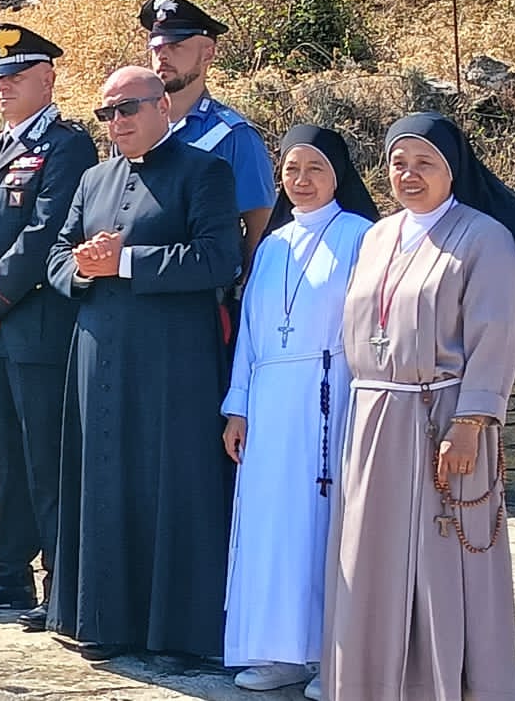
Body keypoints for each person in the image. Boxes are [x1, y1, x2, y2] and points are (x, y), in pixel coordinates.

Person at [321, 112, 515, 701]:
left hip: (441, 418)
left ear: (453, 170)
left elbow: (496, 336)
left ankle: (447, 684)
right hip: (373, 418)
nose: (409, 174)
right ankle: (371, 683)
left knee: (442, 557)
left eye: (425, 163)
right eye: (399, 163)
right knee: (369, 557)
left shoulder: (484, 238)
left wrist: (471, 423)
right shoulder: (377, 236)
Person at [44, 66, 239, 661]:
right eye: (106, 113)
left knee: (172, 486)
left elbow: (218, 259)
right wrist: (82, 267)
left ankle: (177, 634)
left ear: (163, 108)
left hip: (172, 365)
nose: (117, 122)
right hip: (98, 356)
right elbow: (56, 256)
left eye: (128, 109)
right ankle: (102, 622)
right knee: (102, 482)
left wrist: (125, 262)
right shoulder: (94, 179)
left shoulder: (205, 172)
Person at [0, 25, 95, 627]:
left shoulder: (67, 146)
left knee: (45, 458)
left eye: (17, 75)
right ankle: (8, 572)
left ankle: (61, 580)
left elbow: (45, 232)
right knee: (5, 456)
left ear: (48, 79)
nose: (3, 86)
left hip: (35, 324)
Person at [220, 125, 378, 692]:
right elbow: (250, 334)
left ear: (339, 174)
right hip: (268, 403)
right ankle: (279, 651)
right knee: (271, 529)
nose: (302, 180)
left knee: (322, 527)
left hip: (329, 398)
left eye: (315, 169)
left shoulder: (362, 235)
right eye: (291, 169)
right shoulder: (271, 246)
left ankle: (330, 657)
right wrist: (238, 407)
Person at [140, 0, 275, 274]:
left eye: (176, 45)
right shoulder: (133, 126)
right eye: (156, 47)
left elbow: (259, 227)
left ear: (208, 54)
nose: (162, 55)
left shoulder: (234, 137)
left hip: (204, 289)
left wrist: (243, 290)